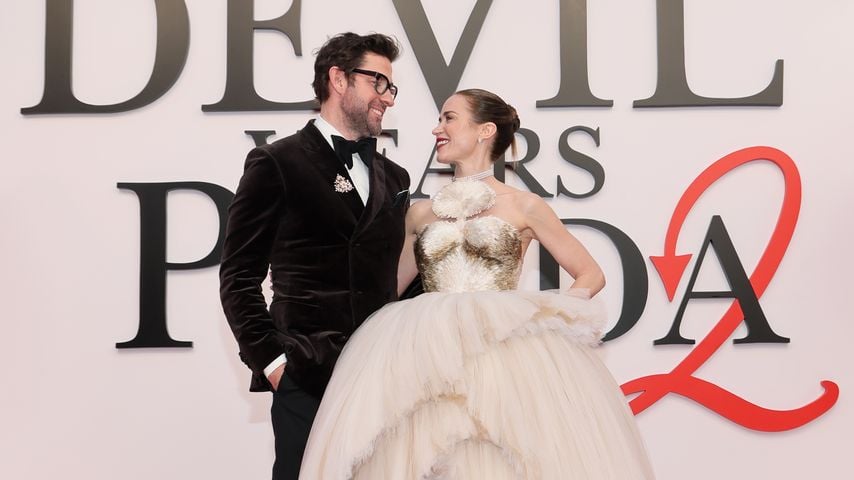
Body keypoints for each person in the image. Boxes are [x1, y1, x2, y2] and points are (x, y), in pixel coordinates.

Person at [299, 89, 655, 479]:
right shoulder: (420, 212)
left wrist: (544, 321)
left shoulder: (525, 206)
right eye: (439, 119)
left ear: (486, 130)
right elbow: (388, 290)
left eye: (449, 118)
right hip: (428, 354)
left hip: (501, 359)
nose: (438, 128)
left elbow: (592, 275)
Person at [219, 32, 410, 480]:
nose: (388, 98)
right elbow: (239, 276)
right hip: (308, 374)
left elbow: (395, 279)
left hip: (381, 380)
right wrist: (275, 365)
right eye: (378, 83)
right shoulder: (278, 161)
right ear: (338, 78)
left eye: (391, 87)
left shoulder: (394, 175)